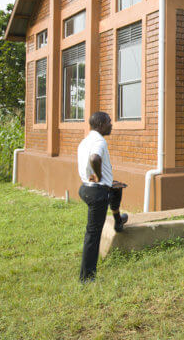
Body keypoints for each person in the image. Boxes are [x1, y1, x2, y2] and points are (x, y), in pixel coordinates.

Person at [77, 111, 127, 282]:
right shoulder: (99, 141)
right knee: (93, 234)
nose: (111, 125)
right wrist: (99, 177)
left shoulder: (85, 141)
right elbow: (94, 158)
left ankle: (118, 221)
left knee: (116, 188)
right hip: (96, 192)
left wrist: (105, 180)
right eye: (109, 122)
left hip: (86, 188)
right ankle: (87, 278)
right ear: (100, 125)